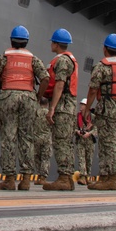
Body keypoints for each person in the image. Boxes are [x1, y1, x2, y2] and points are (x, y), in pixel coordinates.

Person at [0, 25, 48, 191]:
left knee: (9, 137)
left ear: (11, 40)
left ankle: (9, 179)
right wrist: (37, 97)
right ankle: (25, 180)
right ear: (26, 42)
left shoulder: (4, 57)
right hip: (28, 97)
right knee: (26, 137)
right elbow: (45, 77)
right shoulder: (33, 59)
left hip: (8, 96)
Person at [82, 33, 116, 191]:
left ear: (105, 48)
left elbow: (92, 90)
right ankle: (114, 178)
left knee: (108, 145)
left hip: (107, 111)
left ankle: (113, 178)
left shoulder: (101, 67)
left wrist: (87, 109)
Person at [43, 28, 78, 191]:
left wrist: (52, 108)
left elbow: (59, 84)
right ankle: (68, 178)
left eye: (52, 42)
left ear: (56, 44)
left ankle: (64, 178)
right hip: (69, 106)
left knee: (61, 142)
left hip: (63, 106)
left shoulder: (62, 61)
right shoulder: (69, 60)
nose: (51, 44)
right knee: (67, 143)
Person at [75, 98, 96, 184]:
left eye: (83, 105)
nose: (81, 106)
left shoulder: (93, 117)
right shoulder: (77, 116)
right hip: (80, 140)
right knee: (81, 158)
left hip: (90, 140)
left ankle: (87, 176)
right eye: (81, 104)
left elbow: (97, 128)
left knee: (89, 159)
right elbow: (73, 127)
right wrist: (77, 131)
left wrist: (90, 133)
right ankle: (83, 176)